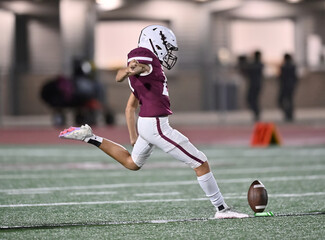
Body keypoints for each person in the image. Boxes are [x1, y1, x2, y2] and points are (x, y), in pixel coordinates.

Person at [59, 25, 248, 219]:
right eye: (167, 47)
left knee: (132, 163)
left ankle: (90, 137)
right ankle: (222, 209)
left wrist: (134, 135)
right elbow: (138, 65)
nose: (168, 53)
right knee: (201, 162)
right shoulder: (143, 57)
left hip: (146, 124)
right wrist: (134, 68)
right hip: (156, 125)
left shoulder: (146, 76)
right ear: (156, 42)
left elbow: (130, 107)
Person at [278, 53, 298, 122]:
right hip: (291, 85)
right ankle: (289, 114)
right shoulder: (293, 66)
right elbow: (295, 77)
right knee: (289, 100)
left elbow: (281, 77)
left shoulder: (283, 67)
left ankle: (288, 114)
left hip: (285, 86)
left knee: (282, 100)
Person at [246, 51, 264, 121]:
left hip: (255, 84)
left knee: (252, 99)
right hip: (255, 84)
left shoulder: (258, 64)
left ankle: (257, 113)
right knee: (251, 99)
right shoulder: (255, 64)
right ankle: (256, 113)